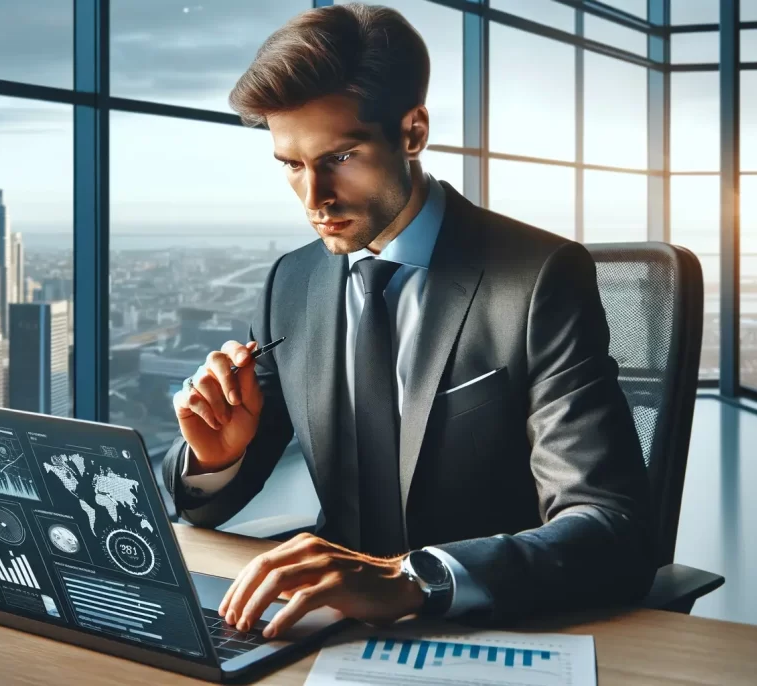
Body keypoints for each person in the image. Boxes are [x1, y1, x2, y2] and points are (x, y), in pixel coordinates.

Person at [162, 3, 655, 640]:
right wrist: (215, 458)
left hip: (487, 630)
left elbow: (610, 526)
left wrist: (414, 579)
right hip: (328, 632)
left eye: (340, 157)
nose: (315, 199)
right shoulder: (293, 281)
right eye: (291, 165)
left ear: (413, 132)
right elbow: (211, 503)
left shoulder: (539, 280)